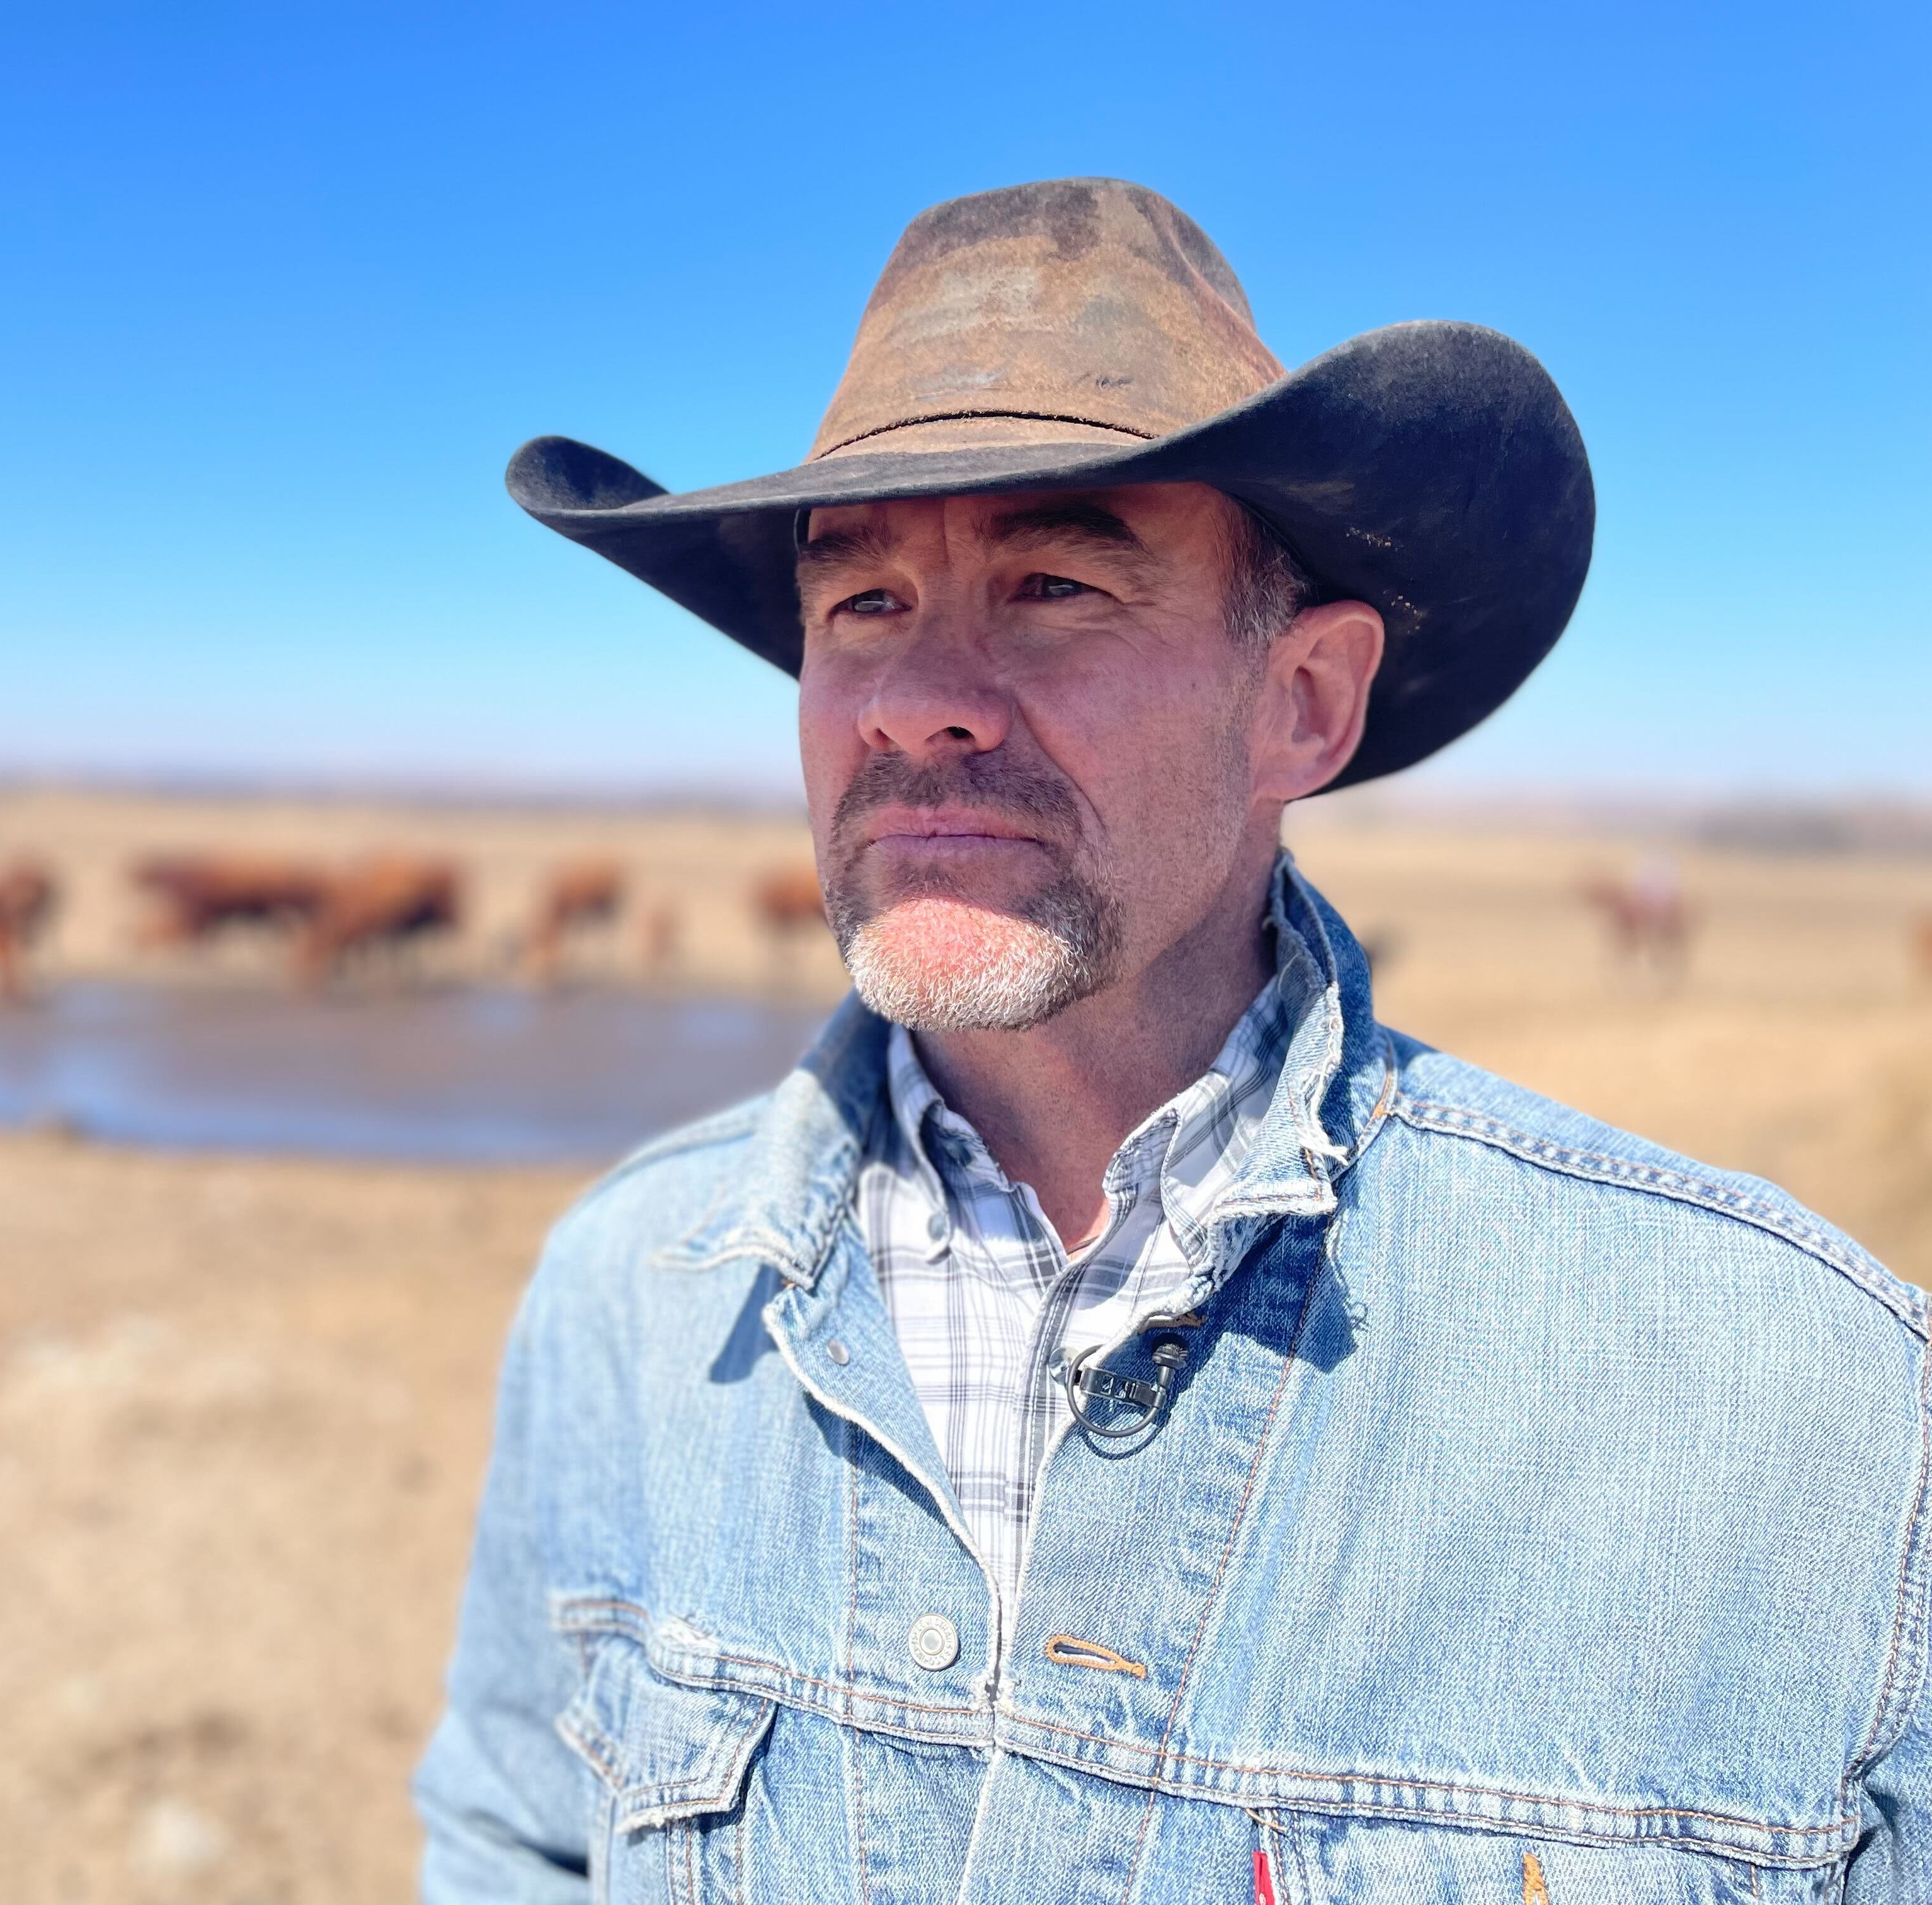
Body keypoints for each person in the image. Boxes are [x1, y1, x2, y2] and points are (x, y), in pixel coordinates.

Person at [416, 179, 1930, 1901]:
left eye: (1056, 582)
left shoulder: (1804, 1412)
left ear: (1304, 703)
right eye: (862, 606)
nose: (916, 703)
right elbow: (515, 1841)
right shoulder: (630, 1304)